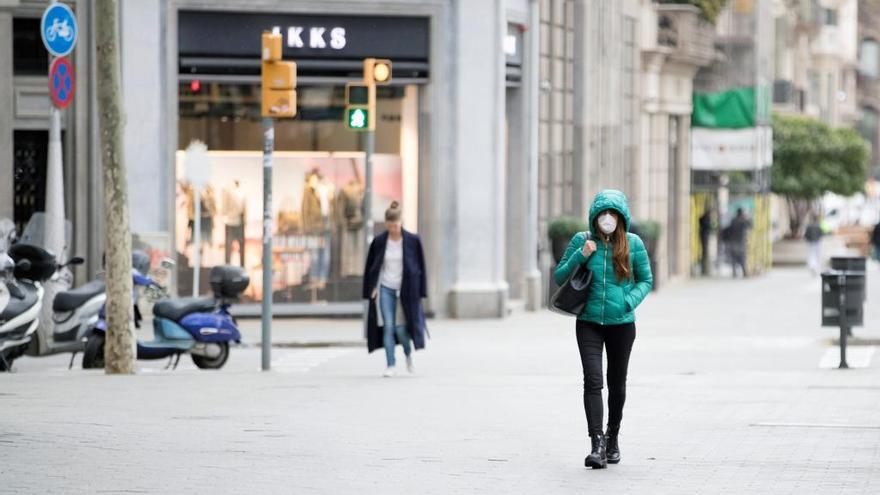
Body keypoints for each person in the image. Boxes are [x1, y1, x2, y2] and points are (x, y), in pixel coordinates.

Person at [554, 190, 653, 469]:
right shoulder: (582, 240)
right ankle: (596, 443)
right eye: (602, 214)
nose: (606, 219)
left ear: (621, 218)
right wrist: (580, 256)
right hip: (588, 323)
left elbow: (646, 280)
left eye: (612, 214)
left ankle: (613, 438)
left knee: (617, 383)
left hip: (621, 325)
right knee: (592, 380)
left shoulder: (633, 244)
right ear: (594, 217)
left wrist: (628, 301)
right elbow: (560, 275)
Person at [363, 201, 428, 377]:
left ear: (401, 222)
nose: (393, 230)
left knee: (400, 328)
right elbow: (372, 266)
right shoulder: (379, 242)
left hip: (406, 290)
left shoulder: (413, 241)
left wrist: (421, 292)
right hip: (386, 288)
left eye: (396, 226)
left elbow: (421, 267)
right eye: (390, 226)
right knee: (389, 327)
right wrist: (372, 288)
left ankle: (407, 355)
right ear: (386, 224)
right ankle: (390, 364)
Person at [726, 208, 751, 278]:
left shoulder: (733, 220)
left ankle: (734, 272)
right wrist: (747, 218)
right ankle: (744, 272)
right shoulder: (743, 221)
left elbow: (729, 230)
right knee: (742, 257)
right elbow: (750, 225)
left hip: (732, 241)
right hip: (740, 242)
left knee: (733, 258)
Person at [699, 208, 714, 276]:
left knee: (705, 253)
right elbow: (709, 227)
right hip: (705, 238)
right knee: (705, 253)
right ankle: (705, 269)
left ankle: (705, 269)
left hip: (704, 237)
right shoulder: (706, 220)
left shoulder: (703, 219)